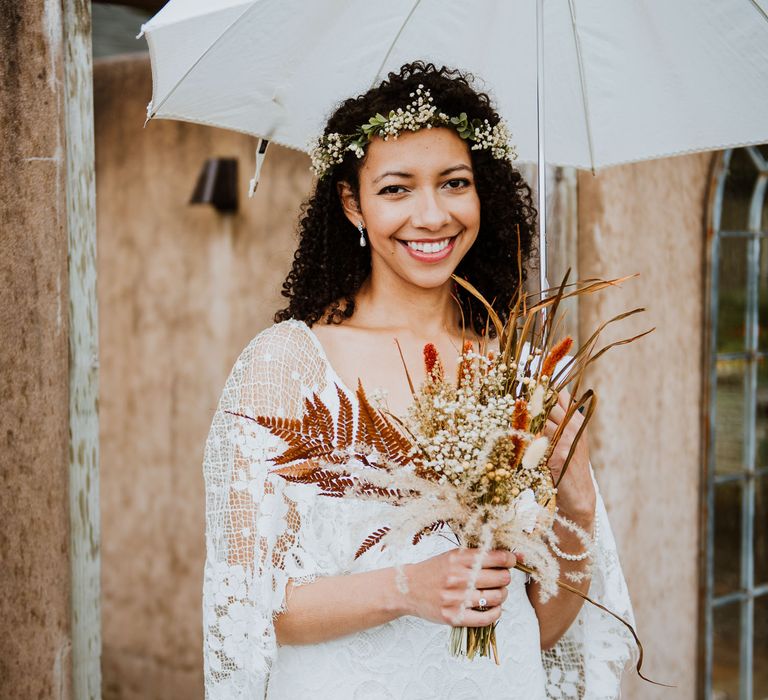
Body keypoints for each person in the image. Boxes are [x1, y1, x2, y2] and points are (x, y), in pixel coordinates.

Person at [202, 62, 635, 699]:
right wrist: (407, 587)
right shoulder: (287, 365)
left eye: (454, 183)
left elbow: (538, 626)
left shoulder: (519, 371)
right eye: (397, 189)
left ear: (481, 192)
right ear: (353, 202)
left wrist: (576, 504)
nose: (431, 215)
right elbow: (245, 612)